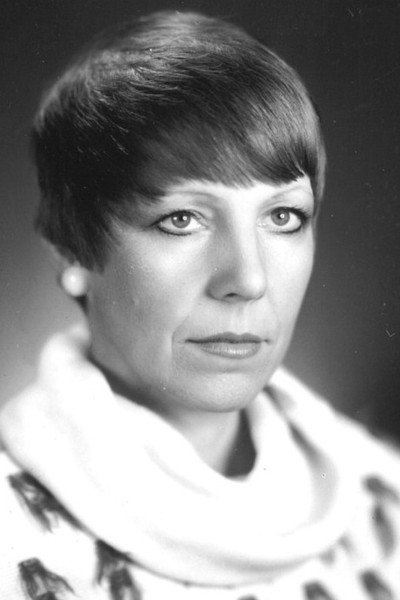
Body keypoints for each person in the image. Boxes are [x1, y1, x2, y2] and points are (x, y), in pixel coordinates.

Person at [1, 10, 399, 600]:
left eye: (283, 216)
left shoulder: (383, 495)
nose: (248, 279)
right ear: (71, 252)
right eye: (181, 219)